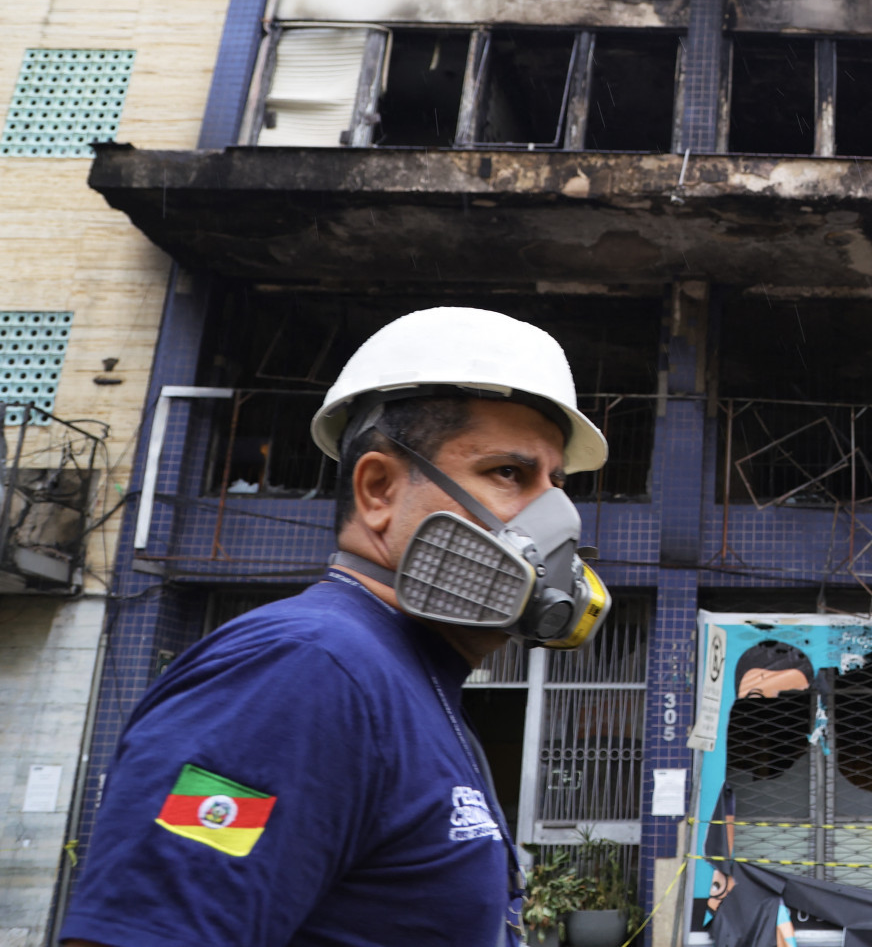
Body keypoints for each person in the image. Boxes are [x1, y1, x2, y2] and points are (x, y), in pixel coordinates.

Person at [61, 307, 611, 947]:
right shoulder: (301, 670)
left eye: (556, 484)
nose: (554, 520)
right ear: (377, 489)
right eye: (508, 474)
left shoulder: (406, 675)